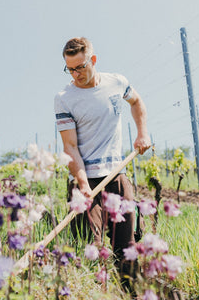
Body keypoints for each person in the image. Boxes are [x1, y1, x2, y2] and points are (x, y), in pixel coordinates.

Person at [54, 37, 151, 291]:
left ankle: (131, 294)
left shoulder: (116, 82)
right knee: (90, 250)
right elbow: (70, 147)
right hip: (85, 180)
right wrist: (83, 183)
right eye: (70, 69)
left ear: (93, 60)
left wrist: (142, 133)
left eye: (80, 67)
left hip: (117, 175)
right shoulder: (64, 98)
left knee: (126, 248)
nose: (76, 74)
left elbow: (137, 102)